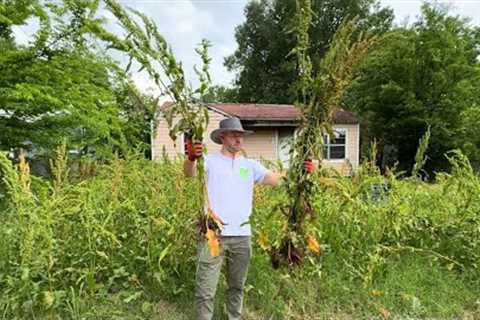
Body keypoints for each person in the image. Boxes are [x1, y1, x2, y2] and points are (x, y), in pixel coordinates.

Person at [183, 117, 315, 320]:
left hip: (242, 236)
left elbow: (273, 179)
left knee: (237, 286)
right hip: (213, 235)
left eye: (241, 135)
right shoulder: (209, 161)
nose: (239, 139)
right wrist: (191, 158)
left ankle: (233, 317)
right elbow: (189, 174)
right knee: (206, 289)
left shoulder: (249, 165)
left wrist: (299, 171)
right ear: (222, 137)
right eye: (234, 135)